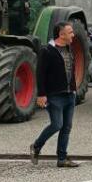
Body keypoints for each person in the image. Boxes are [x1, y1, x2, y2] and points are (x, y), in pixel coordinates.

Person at [29, 22, 80, 168]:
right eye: (70, 32)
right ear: (61, 34)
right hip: (55, 95)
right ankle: (36, 146)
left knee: (66, 127)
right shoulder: (47, 51)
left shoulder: (69, 48)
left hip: (70, 94)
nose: (73, 35)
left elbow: (70, 70)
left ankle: (62, 158)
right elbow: (40, 74)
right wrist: (41, 94)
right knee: (57, 124)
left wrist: (74, 89)